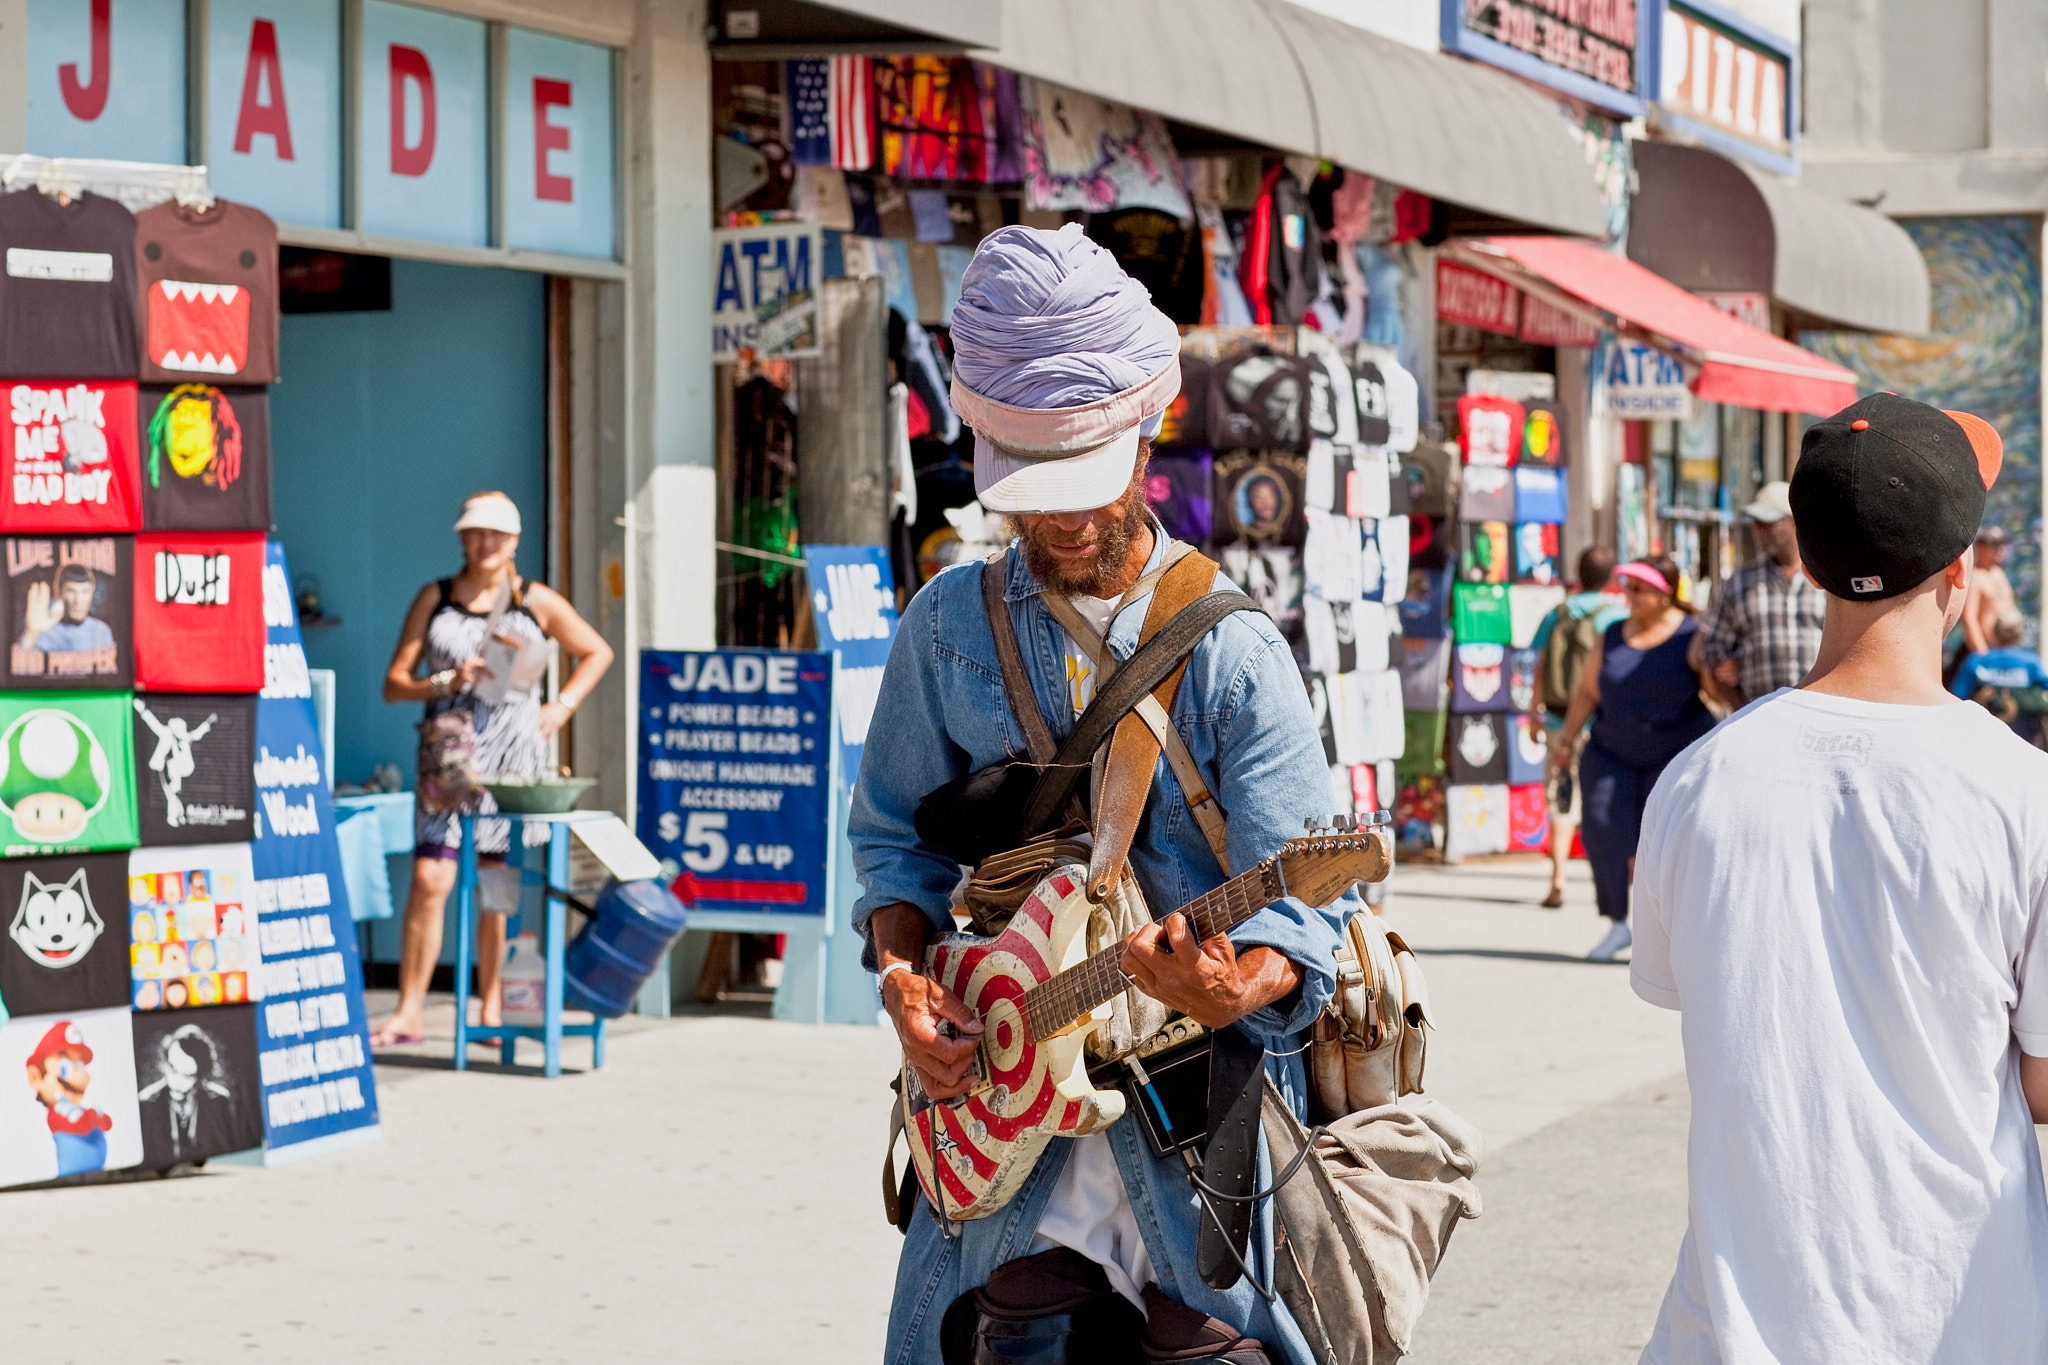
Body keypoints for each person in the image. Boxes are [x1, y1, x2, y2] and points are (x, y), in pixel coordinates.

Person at [850, 224, 1348, 1365]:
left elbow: (1306, 905)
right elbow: (890, 844)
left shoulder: (1231, 650)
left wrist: (1236, 985)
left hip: (1199, 1142)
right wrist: (899, 973)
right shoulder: (943, 628)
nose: (1069, 522)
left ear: (1147, 428)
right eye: (1036, 492)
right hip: (991, 1139)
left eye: (1087, 483)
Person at [1628, 393, 2048, 1362]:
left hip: (1731, 1328)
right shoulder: (2020, 792)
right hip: (1962, 1317)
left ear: (1808, 566)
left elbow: (1687, 997)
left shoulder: (1694, 782)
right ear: (1956, 573)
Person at [368, 492, 613, 1049]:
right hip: (448, 760)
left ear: (516, 541)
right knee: (432, 879)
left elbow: (595, 651)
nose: (485, 544)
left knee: (496, 884)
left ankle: (492, 1003)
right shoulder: (436, 597)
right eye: (476, 533)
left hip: (511, 760)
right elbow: (393, 683)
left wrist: (562, 706)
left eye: (497, 534)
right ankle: (409, 1010)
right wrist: (446, 681)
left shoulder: (536, 601)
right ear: (460, 537)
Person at [1549, 555, 1713, 962]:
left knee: (1663, 845)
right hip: (1611, 751)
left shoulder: (1693, 636)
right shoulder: (1611, 635)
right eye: (1629, 586)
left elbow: (1715, 693)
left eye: (1641, 588)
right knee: (1600, 829)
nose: (1631, 595)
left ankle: (1667, 931)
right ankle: (1618, 923)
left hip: (1674, 755)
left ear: (1664, 595)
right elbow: (1588, 691)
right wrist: (1566, 741)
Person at [1530, 547, 1627, 908]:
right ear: (1610, 577)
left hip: (1559, 718)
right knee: (1605, 799)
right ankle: (1612, 880)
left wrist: (1533, 713)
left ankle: (1558, 879)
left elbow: (1540, 667)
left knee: (1561, 797)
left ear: (1578, 573)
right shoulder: (1617, 615)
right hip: (1604, 720)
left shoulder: (1558, 613)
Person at [1691, 480, 1825, 709]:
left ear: (1794, 522)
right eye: (1754, 522)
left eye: (1766, 523)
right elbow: (1713, 650)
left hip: (1822, 712)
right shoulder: (1740, 582)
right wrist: (1741, 709)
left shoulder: (1827, 577)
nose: (1756, 530)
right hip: (1762, 715)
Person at [1952, 608, 2048, 745]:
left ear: (1995, 632)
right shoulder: (2030, 662)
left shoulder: (1976, 661)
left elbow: (1958, 696)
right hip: (2025, 740)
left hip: (1983, 739)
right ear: (2018, 634)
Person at [1960, 524, 2014, 657]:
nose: (2000, 549)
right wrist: (1983, 655)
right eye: (1995, 545)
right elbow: (1969, 619)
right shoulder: (1975, 577)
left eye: (2002, 544)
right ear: (1981, 548)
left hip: (2002, 649)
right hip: (1984, 648)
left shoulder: (1998, 572)